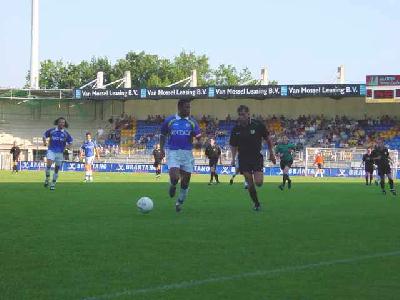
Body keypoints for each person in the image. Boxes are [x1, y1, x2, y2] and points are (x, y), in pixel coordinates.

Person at [230, 105, 276, 211]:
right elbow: (233, 145)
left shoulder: (258, 125)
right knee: (249, 182)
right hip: (243, 158)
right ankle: (256, 203)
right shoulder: (236, 129)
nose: (241, 117)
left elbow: (268, 139)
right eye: (240, 115)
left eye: (243, 115)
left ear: (248, 114)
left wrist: (271, 153)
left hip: (256, 157)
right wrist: (233, 158)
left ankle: (255, 197)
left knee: (259, 183)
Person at [160, 98, 202, 212]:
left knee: (185, 181)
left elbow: (199, 138)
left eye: (189, 107)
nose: (188, 110)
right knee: (175, 177)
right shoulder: (170, 120)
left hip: (187, 154)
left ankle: (179, 202)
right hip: (173, 152)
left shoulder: (192, 122)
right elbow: (162, 135)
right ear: (179, 107)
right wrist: (161, 149)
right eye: (186, 107)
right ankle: (173, 185)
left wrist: (199, 143)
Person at [43, 117, 73, 190]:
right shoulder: (52, 131)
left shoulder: (66, 133)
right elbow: (44, 135)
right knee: (49, 165)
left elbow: (71, 142)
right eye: (60, 122)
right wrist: (45, 142)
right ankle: (47, 178)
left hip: (60, 153)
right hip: (51, 150)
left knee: (56, 169)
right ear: (57, 123)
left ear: (64, 124)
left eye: (63, 122)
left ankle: (53, 183)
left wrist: (67, 147)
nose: (62, 123)